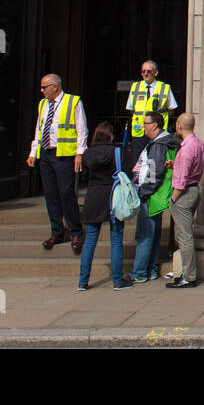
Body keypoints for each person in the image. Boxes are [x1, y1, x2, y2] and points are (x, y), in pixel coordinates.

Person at [26, 73, 87, 253]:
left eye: (44, 87)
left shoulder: (73, 101)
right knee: (50, 193)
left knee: (66, 192)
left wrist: (79, 154)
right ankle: (56, 231)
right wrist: (33, 152)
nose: (42, 91)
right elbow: (39, 128)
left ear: (55, 86)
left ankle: (75, 231)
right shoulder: (43, 104)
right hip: (46, 152)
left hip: (64, 155)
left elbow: (81, 129)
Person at [77, 122, 132, 291]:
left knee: (90, 241)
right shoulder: (116, 152)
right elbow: (126, 172)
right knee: (116, 239)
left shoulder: (87, 154)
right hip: (112, 197)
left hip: (93, 196)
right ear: (110, 136)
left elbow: (84, 177)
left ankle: (83, 281)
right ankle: (117, 280)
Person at [129, 112, 179, 283]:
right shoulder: (163, 142)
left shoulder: (158, 145)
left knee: (145, 234)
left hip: (150, 195)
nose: (143, 126)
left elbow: (154, 172)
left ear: (154, 125)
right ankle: (150, 269)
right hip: (156, 195)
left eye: (145, 123)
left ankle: (140, 272)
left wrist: (144, 191)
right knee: (152, 233)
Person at [166, 113, 204, 288]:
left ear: (179, 126)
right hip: (194, 188)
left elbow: (181, 181)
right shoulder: (198, 144)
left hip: (184, 193)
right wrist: (175, 164)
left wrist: (173, 198)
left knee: (184, 236)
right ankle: (187, 273)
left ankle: (189, 276)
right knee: (184, 235)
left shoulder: (187, 148)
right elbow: (191, 167)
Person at [124, 60, 178, 168]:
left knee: (156, 162)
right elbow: (131, 109)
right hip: (139, 132)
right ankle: (139, 184)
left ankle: (153, 183)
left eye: (148, 71)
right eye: (143, 71)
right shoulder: (135, 86)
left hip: (157, 132)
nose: (145, 74)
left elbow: (172, 109)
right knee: (138, 163)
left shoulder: (164, 88)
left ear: (155, 73)